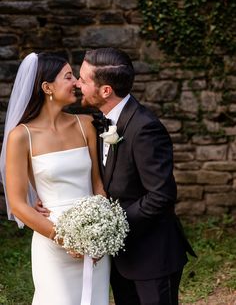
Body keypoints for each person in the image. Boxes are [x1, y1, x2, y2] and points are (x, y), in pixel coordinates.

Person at [76, 47, 196, 305]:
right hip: (123, 258)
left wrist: (110, 226)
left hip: (152, 257)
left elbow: (161, 196)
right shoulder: (103, 120)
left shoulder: (145, 128)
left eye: (83, 79)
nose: (77, 83)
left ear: (105, 90)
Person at [0, 52, 110, 305]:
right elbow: (18, 204)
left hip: (94, 240)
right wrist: (66, 239)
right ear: (47, 87)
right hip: (53, 240)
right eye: (69, 76)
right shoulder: (21, 136)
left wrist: (100, 232)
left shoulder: (85, 125)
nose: (76, 83)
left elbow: (98, 186)